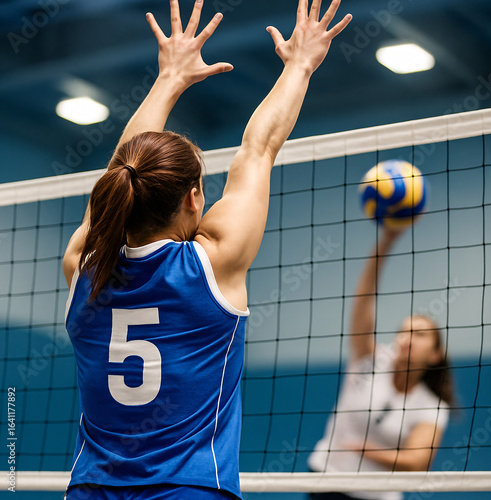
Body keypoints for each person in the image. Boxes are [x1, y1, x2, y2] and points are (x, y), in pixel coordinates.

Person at [62, 1, 352, 499]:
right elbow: (258, 148)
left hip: (91, 489)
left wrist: (168, 79)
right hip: (187, 489)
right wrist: (301, 64)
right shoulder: (210, 264)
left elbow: (120, 173)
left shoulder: (83, 267)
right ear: (195, 199)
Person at [308, 227, 454, 500]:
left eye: (419, 334)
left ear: (435, 355)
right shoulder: (371, 360)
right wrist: (385, 242)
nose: (408, 339)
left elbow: (417, 464)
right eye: (404, 331)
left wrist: (368, 451)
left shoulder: (431, 405)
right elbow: (364, 299)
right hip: (327, 484)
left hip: (379, 496)